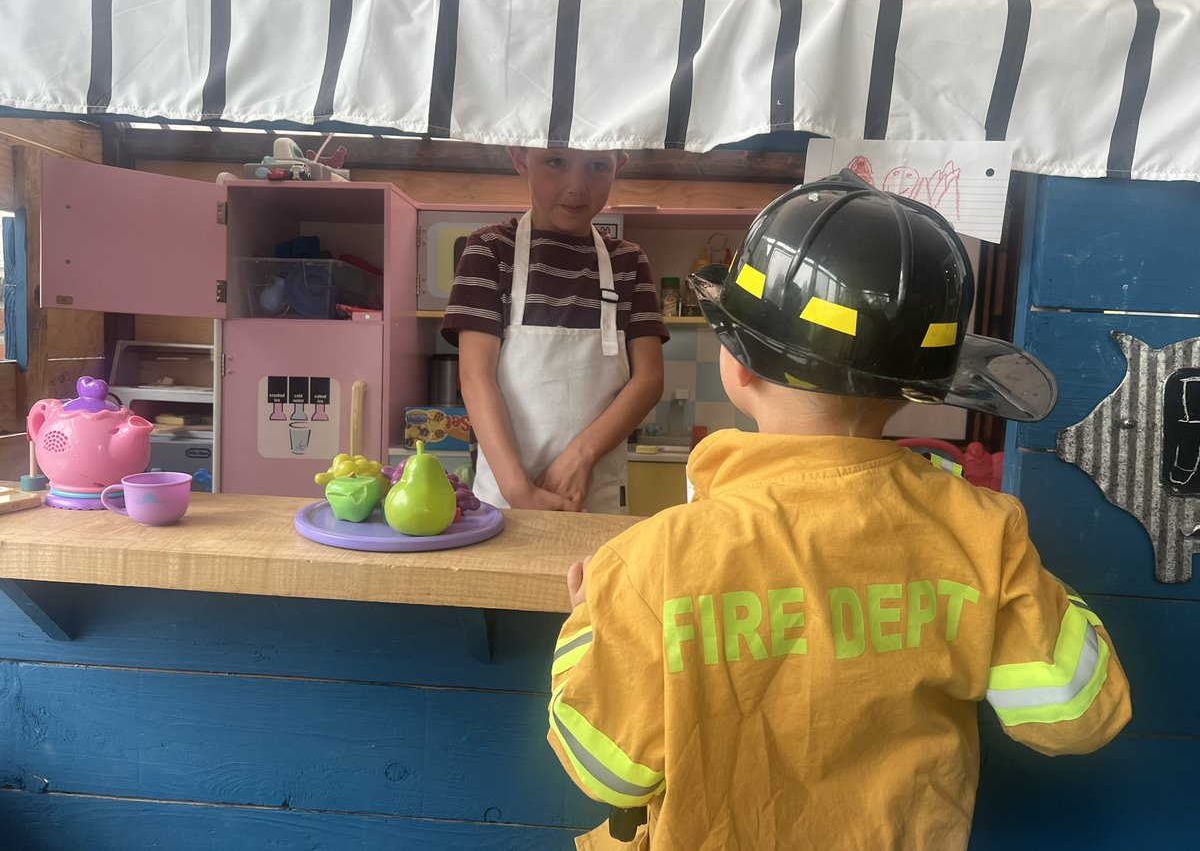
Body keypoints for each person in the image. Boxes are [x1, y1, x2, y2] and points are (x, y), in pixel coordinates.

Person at [545, 170, 1131, 850]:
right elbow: (1076, 714)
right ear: (912, 390)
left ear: (737, 370)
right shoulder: (982, 532)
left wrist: (588, 624)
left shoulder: (648, 565)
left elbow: (606, 772)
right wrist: (1019, 574)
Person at [442, 146, 666, 513]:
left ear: (619, 167)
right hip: (507, 499)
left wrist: (581, 456)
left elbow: (649, 379)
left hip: (594, 498)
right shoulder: (489, 251)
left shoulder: (627, 262)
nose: (576, 186)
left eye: (596, 166)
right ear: (520, 158)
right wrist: (519, 491)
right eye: (556, 162)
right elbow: (475, 377)